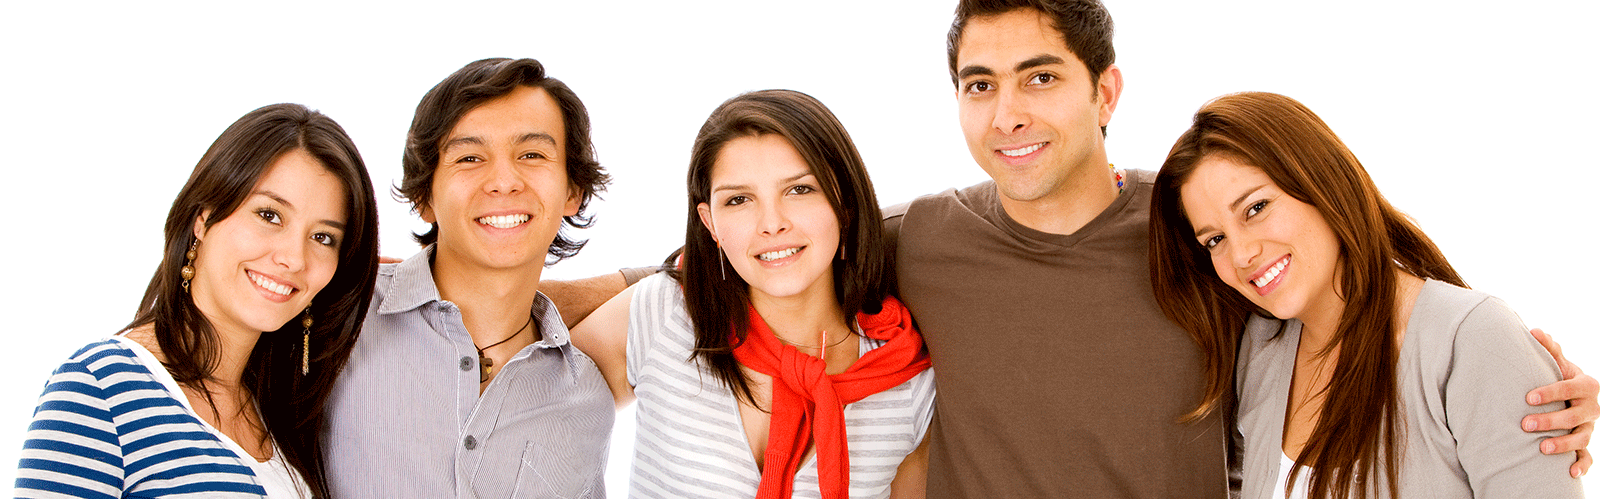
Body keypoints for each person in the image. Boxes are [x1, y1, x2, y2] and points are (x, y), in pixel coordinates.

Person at [552, 1, 1599, 496]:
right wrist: (432, 286)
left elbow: (1345, 287)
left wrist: (1502, 368)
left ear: (1104, 91)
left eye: (1040, 76)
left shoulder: (1199, 233)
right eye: (979, 84)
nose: (1008, 113)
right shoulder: (918, 240)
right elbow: (741, 258)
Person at [1149, 91, 1583, 498]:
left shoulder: (1470, 340)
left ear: (1322, 183)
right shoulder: (1263, 350)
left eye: (1256, 208)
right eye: (1214, 240)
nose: (1242, 255)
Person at [570, 89, 934, 499]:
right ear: (710, 224)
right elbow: (522, 410)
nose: (771, 223)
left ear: (844, 203)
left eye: (799, 190)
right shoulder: (662, 314)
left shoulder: (908, 385)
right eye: (739, 200)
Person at [14, 103, 381, 498]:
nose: (294, 257)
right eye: (269, 215)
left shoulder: (286, 416)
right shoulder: (101, 386)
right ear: (203, 218)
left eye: (323, 237)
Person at [322, 57, 615, 498]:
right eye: (470, 157)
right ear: (424, 196)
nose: (503, 181)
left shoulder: (586, 398)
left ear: (572, 190)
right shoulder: (337, 316)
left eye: (532, 154)